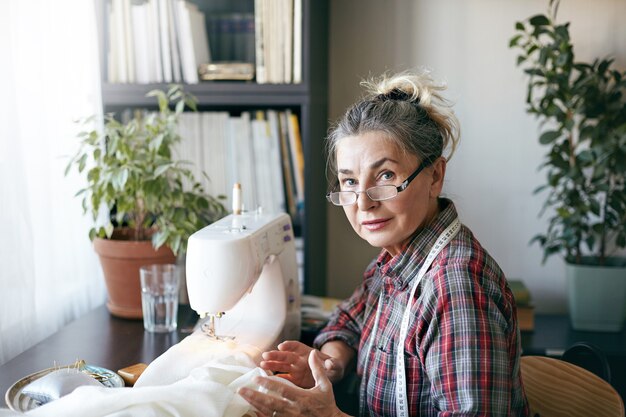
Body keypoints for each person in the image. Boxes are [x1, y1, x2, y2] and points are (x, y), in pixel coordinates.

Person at [238, 71, 529, 416]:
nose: (362, 203)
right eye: (349, 181)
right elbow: (348, 319)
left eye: (386, 176)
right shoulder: (398, 261)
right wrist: (331, 362)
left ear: (435, 175)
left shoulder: (455, 287)